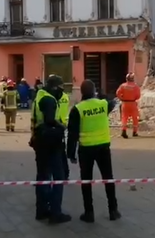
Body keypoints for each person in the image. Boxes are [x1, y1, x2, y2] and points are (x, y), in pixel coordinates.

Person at [68, 79, 121, 223]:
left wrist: (70, 153)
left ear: (81, 92)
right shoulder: (103, 105)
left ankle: (89, 213)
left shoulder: (77, 109)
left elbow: (72, 133)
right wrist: (100, 95)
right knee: (108, 178)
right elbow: (112, 101)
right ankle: (113, 210)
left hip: (86, 149)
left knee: (86, 181)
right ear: (94, 91)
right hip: (103, 147)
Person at [30, 75, 71, 224]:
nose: (62, 91)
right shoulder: (49, 100)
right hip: (51, 143)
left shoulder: (40, 95)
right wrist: (61, 126)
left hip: (39, 141)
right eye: (60, 88)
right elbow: (49, 120)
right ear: (55, 87)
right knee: (58, 177)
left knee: (42, 176)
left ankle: (41, 210)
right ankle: (55, 213)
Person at [116, 73, 141, 139]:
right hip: (132, 103)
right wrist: (134, 98)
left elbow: (117, 93)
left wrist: (121, 98)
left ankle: (124, 130)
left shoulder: (123, 85)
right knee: (135, 118)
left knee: (124, 117)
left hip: (124, 103)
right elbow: (138, 96)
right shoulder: (136, 86)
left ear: (126, 79)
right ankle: (134, 132)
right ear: (132, 79)